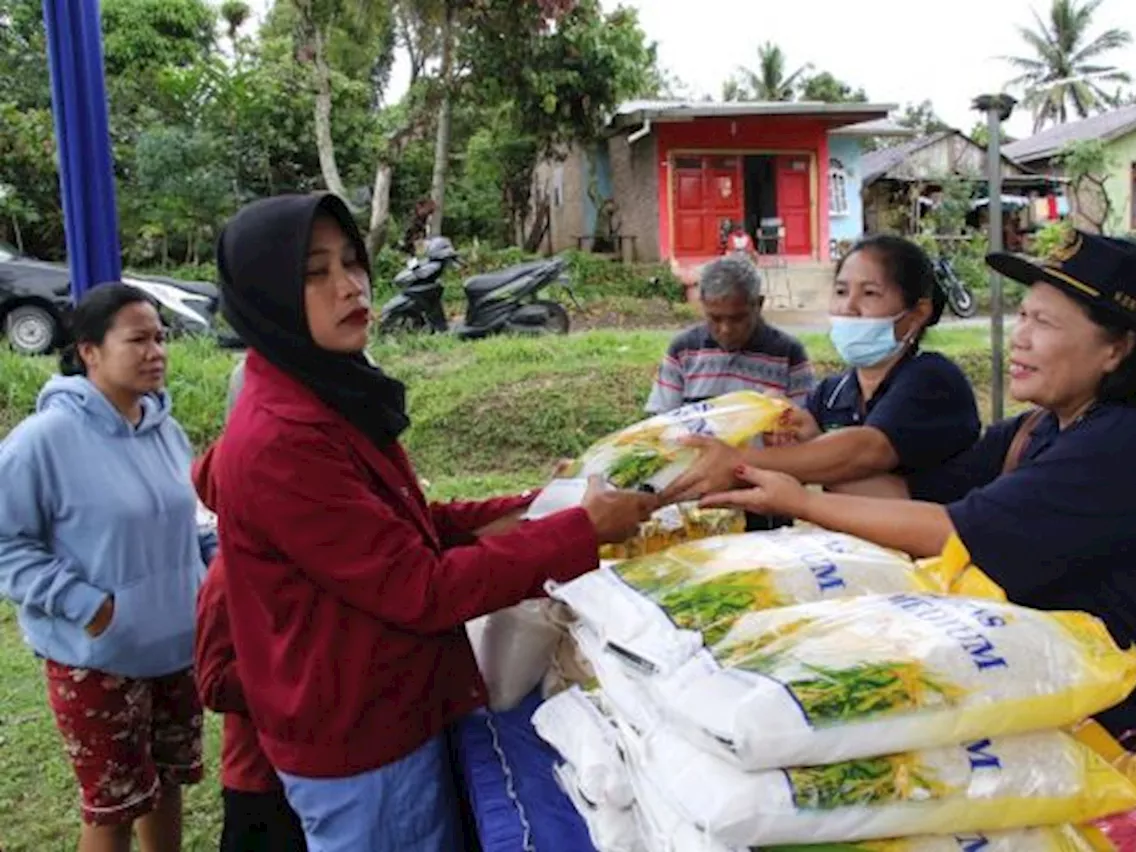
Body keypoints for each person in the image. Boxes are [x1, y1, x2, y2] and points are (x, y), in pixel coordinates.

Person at [698, 230, 1136, 829]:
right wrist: (783, 465)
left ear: (1116, 349)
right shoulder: (1040, 431)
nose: (1020, 336)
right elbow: (905, 498)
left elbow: (948, 528)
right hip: (1090, 738)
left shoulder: (1129, 445)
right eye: (1023, 314)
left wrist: (796, 495)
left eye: (1045, 323)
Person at [211, 192, 656, 852]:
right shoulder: (283, 438)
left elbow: (408, 523)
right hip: (358, 734)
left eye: (352, 262)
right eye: (315, 272)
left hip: (384, 704)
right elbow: (421, 587)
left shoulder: (323, 392)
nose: (349, 286)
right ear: (267, 293)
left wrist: (542, 504)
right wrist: (578, 532)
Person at [0, 283, 212, 852]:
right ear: (90, 351)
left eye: (161, 338)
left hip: (176, 647)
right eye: (138, 339)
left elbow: (191, 522)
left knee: (169, 784)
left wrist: (215, 573)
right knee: (113, 805)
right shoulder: (44, 440)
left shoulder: (165, 428)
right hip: (96, 660)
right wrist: (89, 607)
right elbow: (7, 543)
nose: (157, 351)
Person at [662, 234, 980, 504]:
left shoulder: (933, 379)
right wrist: (797, 438)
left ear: (916, 313)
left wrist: (739, 461)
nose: (848, 307)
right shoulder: (831, 395)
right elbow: (863, 488)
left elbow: (865, 451)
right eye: (841, 291)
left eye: (869, 293)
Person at [193, 381, 306, 852]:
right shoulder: (229, 574)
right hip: (261, 779)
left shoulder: (315, 542)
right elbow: (215, 682)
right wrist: (302, 673)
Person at [645, 254, 814, 414]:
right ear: (702, 305)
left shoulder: (788, 354)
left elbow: (803, 424)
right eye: (715, 318)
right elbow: (662, 420)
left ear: (758, 304)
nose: (726, 329)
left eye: (738, 318)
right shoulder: (683, 350)